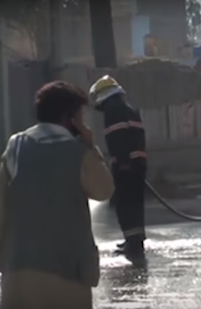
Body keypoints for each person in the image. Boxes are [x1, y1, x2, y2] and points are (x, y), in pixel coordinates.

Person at [0, 81, 114, 309]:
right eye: (80, 116)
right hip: (68, 274)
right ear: (70, 118)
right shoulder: (79, 152)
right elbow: (104, 190)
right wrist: (92, 148)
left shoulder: (16, 146)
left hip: (20, 273)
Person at [89, 75, 147, 257]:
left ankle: (131, 242)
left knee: (124, 204)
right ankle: (136, 239)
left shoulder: (113, 111)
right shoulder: (130, 109)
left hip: (125, 165)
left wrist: (122, 163)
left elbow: (117, 139)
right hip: (138, 164)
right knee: (136, 203)